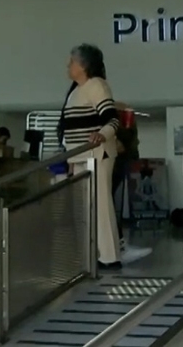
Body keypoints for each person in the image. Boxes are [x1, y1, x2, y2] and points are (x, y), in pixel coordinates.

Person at [62, 44, 150, 270]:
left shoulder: (97, 86)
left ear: (83, 65)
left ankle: (109, 256)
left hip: (97, 154)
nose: (68, 65)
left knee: (100, 203)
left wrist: (101, 135)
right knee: (87, 205)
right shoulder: (75, 92)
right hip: (80, 156)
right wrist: (71, 160)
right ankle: (96, 253)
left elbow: (111, 120)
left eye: (72, 62)